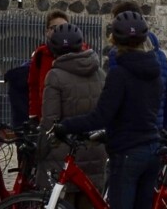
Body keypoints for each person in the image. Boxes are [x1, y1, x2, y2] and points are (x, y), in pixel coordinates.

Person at [58, 12, 162, 209]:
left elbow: (102, 116)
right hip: (151, 147)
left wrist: (66, 125)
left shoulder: (119, 73)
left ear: (114, 40)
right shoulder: (154, 70)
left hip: (128, 151)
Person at [38, 24, 106, 208]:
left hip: (65, 151)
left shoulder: (55, 76)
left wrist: (40, 150)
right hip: (95, 149)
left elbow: (50, 120)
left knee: (64, 202)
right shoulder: (99, 73)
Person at [107, 0, 167, 130]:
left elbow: (115, 97)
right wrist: (162, 123)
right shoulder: (161, 56)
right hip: (155, 130)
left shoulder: (118, 54)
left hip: (129, 131)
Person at [27, 9, 72, 122]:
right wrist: (34, 116)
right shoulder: (40, 55)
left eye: (63, 27)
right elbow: (34, 86)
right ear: (47, 31)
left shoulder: (80, 51)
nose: (59, 31)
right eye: (54, 28)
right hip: (47, 117)